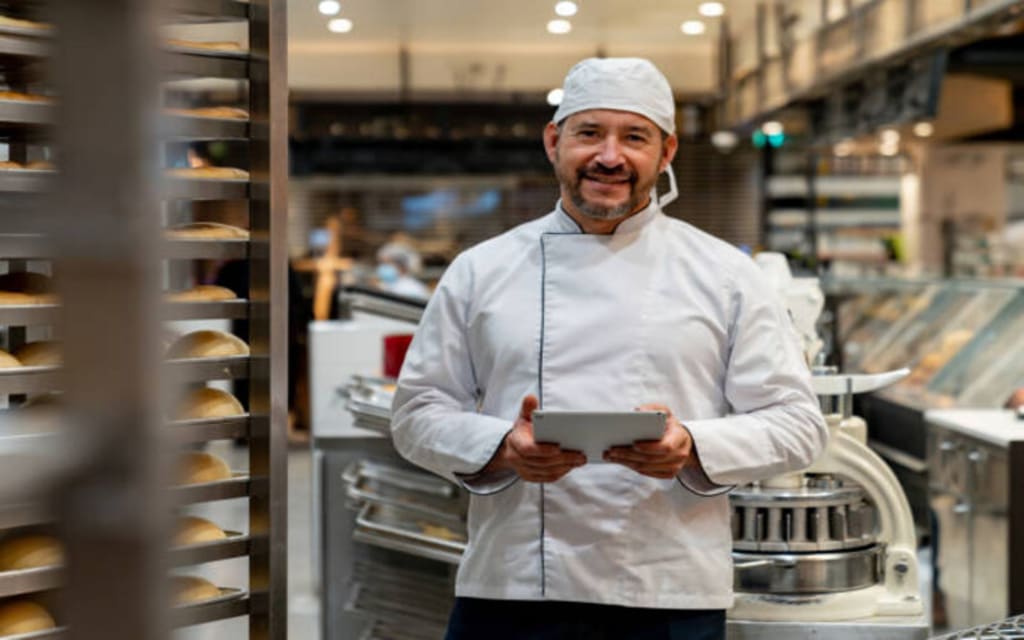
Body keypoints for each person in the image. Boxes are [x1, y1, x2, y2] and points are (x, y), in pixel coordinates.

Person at [391, 57, 828, 640]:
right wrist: (501, 447)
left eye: (635, 137)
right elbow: (416, 413)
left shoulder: (726, 275)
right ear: (554, 142)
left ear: (667, 152)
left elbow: (798, 424)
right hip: (512, 586)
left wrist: (693, 444)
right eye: (590, 133)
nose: (610, 156)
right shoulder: (481, 270)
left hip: (667, 589)